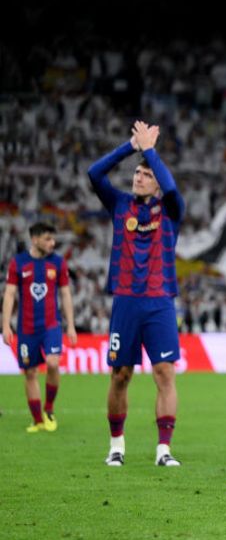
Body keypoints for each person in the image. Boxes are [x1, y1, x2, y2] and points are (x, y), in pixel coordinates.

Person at [88, 121, 185, 467]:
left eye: (146, 174)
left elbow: (172, 187)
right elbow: (94, 172)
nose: (138, 177)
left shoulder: (171, 210)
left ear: (157, 182)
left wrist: (150, 152)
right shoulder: (119, 204)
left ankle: (164, 450)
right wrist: (130, 146)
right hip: (125, 301)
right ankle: (116, 446)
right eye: (137, 174)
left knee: (164, 374)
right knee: (120, 375)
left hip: (160, 302)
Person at [2, 222, 77, 433]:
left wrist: (70, 325)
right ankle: (37, 420)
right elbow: (9, 294)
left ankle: (49, 409)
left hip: (51, 326)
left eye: (53, 239)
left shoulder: (58, 263)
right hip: (26, 329)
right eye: (47, 239)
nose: (52, 243)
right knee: (30, 373)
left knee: (53, 363)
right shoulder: (18, 263)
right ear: (34, 239)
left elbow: (65, 294)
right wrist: (5, 325)